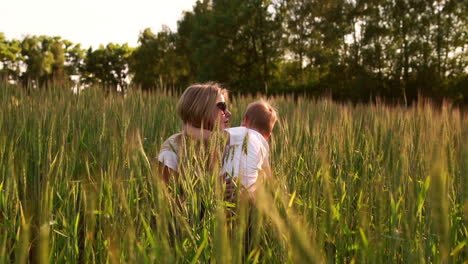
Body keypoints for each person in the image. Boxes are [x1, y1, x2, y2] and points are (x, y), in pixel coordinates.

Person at [186, 100, 278, 197]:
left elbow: (215, 137)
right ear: (268, 136)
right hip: (248, 194)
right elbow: (269, 177)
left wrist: (190, 130)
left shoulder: (242, 132)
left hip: (229, 187)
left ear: (244, 120)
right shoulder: (264, 147)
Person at [158, 82, 232, 183]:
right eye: (222, 106)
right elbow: (165, 197)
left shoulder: (229, 147)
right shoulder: (172, 151)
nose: (228, 113)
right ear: (201, 109)